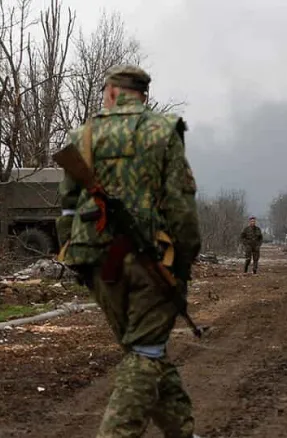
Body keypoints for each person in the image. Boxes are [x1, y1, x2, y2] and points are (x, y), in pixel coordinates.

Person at [55, 64, 202, 438]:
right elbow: (180, 206)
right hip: (147, 259)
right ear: (143, 95)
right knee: (146, 351)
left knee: (144, 349)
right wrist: (184, 262)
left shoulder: (84, 134)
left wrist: (75, 257)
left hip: (96, 261)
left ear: (110, 92)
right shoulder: (163, 130)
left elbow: (67, 208)